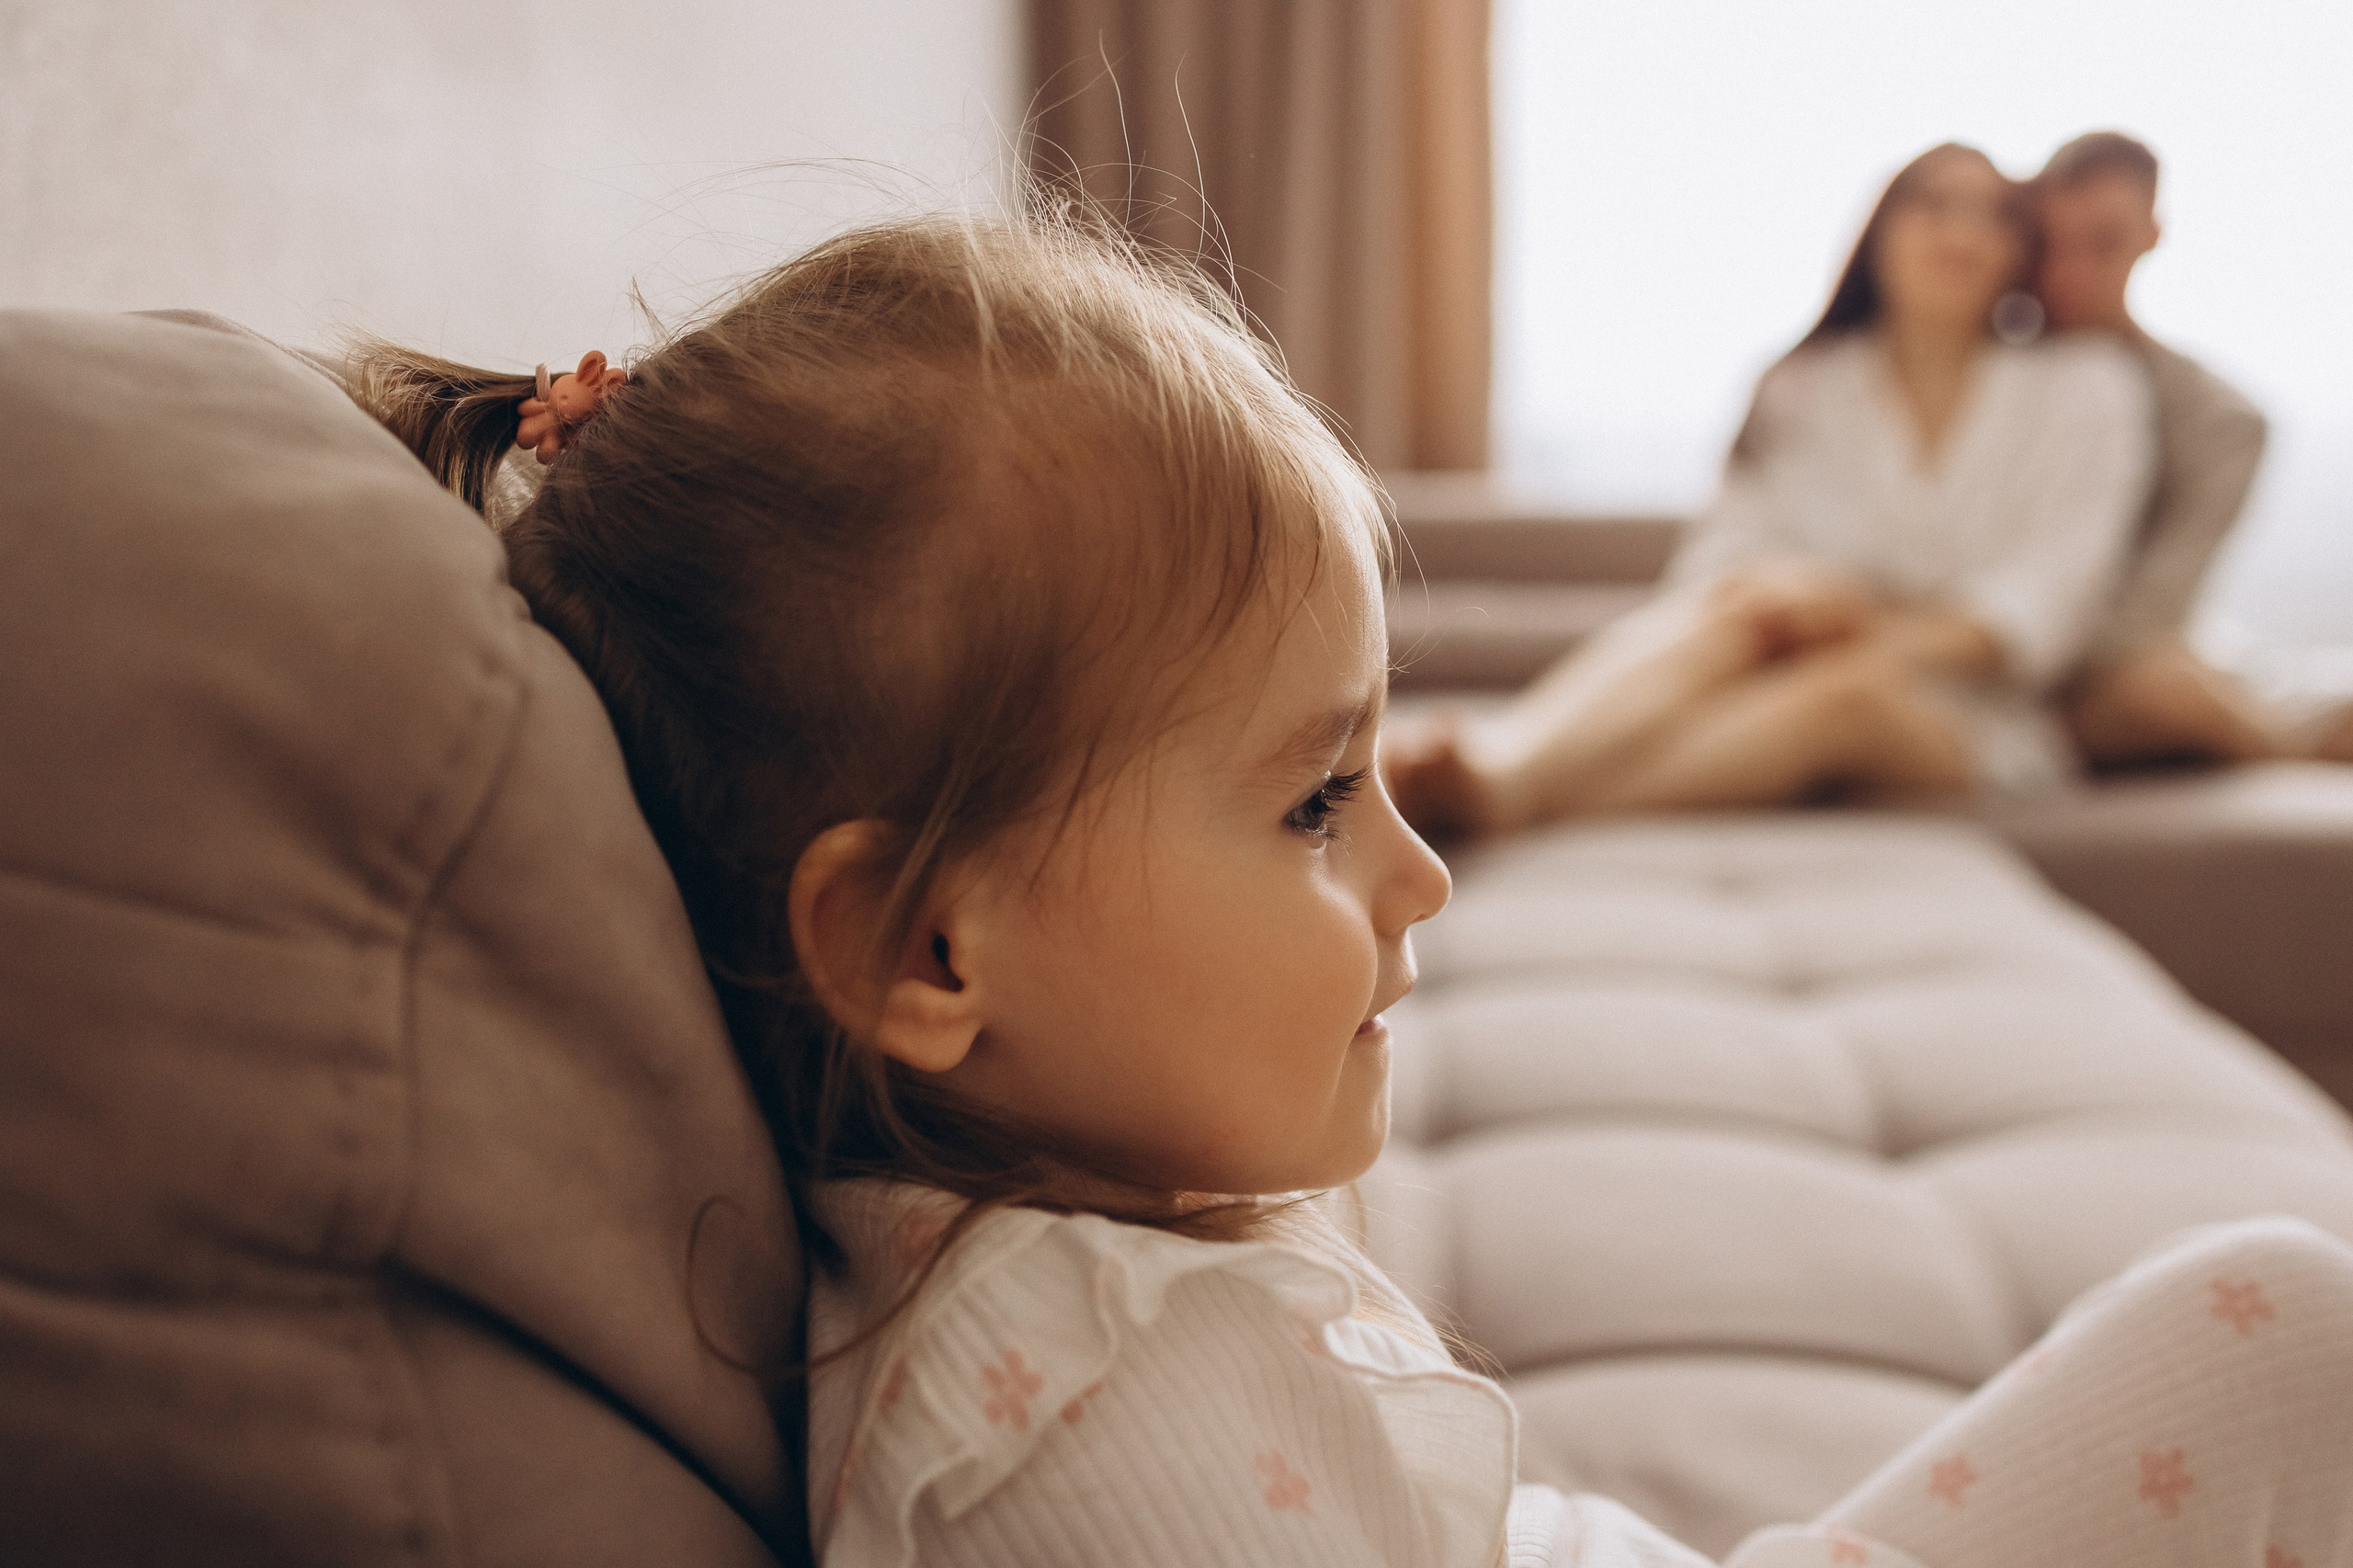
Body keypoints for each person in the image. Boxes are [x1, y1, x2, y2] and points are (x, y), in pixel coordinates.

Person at [347, 205, 2353, 1565]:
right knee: (2283, 1323)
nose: (1411, 881)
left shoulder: (1078, 1174)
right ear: (919, 947)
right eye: (1313, 801)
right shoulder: (1061, 1432)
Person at [1386, 144, 2158, 837]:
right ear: (1880, 232)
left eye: (1992, 216)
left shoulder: (2085, 389)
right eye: (1931, 205)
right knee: (1724, 617)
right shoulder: (1802, 386)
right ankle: (1506, 762)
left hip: (1975, 710)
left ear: (2019, 253)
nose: (1958, 234)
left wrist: (1875, 637)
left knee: (1844, 695)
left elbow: (2049, 598)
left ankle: (1516, 803)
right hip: (1787, 647)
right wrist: (1786, 595)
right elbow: (1725, 551)